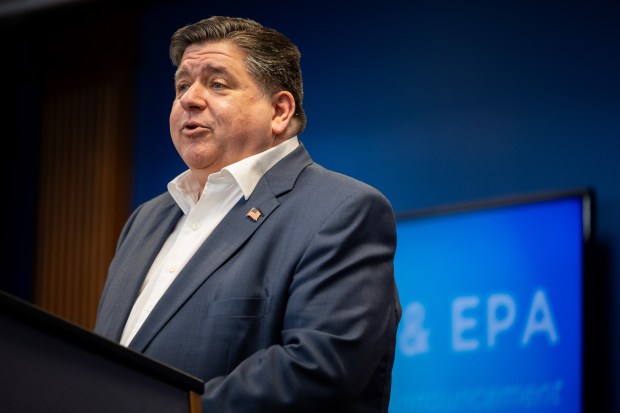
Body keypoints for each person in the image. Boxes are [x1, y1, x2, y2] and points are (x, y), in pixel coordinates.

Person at [94, 15, 401, 412]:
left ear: (279, 111)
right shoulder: (146, 220)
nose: (189, 98)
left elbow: (320, 369)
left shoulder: (343, 209)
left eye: (217, 83)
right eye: (183, 85)